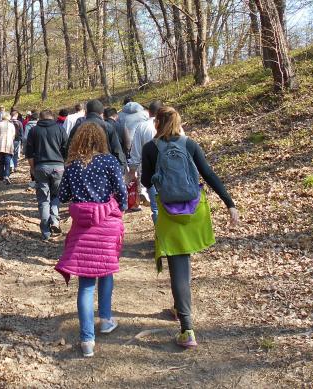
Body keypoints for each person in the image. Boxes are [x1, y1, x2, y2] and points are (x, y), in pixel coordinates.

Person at [141, 106, 239, 349]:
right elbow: (208, 174)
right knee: (184, 262)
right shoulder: (190, 144)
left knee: (178, 264)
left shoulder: (151, 148)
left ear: (157, 123)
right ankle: (178, 307)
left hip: (168, 212)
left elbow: (145, 181)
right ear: (178, 122)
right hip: (194, 210)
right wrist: (230, 204)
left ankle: (187, 329)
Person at [54, 122, 127, 357]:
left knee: (85, 285)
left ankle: (87, 341)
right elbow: (122, 191)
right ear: (101, 140)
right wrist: (121, 207)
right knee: (106, 271)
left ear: (79, 141)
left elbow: (63, 195)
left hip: (82, 226)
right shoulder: (109, 162)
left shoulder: (73, 165)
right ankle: (106, 320)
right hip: (107, 224)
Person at [25, 110, 69, 240]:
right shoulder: (60, 129)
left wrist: (32, 168)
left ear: (40, 118)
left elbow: (29, 153)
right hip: (58, 167)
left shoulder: (34, 131)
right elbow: (66, 149)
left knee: (44, 199)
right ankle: (55, 220)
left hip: (41, 167)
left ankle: (45, 231)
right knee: (56, 195)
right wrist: (65, 165)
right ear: (53, 118)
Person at [129, 100, 163, 223]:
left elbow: (136, 150)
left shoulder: (142, 126)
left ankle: (160, 235)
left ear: (149, 112)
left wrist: (132, 169)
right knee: (172, 205)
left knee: (156, 208)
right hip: (171, 171)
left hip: (150, 171)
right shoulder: (173, 126)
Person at [69, 100, 125, 172]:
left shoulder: (77, 127)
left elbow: (69, 148)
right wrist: (121, 167)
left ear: (86, 112)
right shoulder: (108, 127)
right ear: (102, 113)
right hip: (104, 168)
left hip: (81, 168)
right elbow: (117, 150)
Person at [0, 112, 15, 185]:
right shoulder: (11, 125)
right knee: (7, 161)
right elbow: (13, 135)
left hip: (0, 144)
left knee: (1, 161)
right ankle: (7, 175)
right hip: (9, 144)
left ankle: (1, 176)